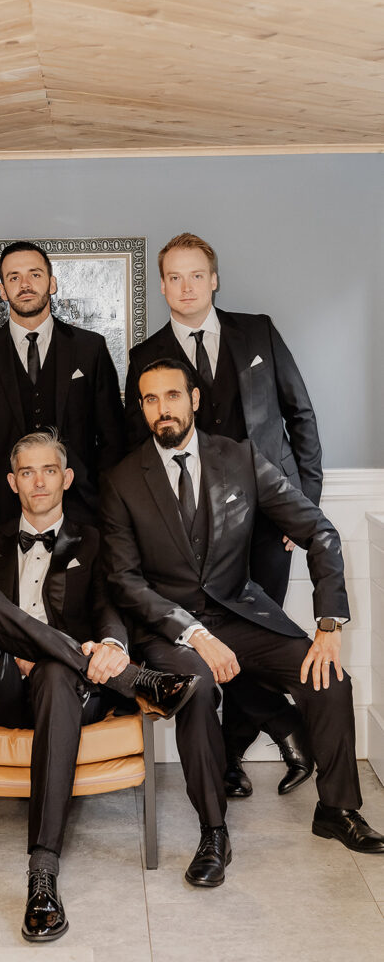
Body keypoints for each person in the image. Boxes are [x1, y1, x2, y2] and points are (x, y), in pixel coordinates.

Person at [102, 359, 384, 887]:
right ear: (140, 408)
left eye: (172, 395)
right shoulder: (121, 480)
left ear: (194, 399)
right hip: (170, 630)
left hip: (240, 611)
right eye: (150, 400)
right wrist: (193, 633)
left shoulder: (241, 457)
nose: (163, 409)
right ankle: (214, 832)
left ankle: (337, 809)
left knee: (329, 678)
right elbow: (124, 580)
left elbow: (320, 531)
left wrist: (329, 622)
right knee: (195, 691)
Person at [0, 429, 197, 941]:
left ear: (66, 478)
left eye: (48, 470)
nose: (38, 482)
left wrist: (110, 646)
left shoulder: (95, 539)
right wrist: (24, 649)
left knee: (57, 671)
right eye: (26, 472)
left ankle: (42, 875)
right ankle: (138, 682)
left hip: (65, 691)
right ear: (12, 482)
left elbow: (111, 607)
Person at [124, 232, 320, 798]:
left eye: (196, 275)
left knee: (256, 635)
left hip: (269, 519)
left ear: (213, 279)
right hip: (190, 528)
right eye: (174, 277)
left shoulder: (258, 331)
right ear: (162, 286)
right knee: (210, 638)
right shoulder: (143, 356)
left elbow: (300, 414)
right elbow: (139, 445)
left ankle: (233, 755)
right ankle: (283, 726)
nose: (186, 287)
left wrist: (303, 506)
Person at [0, 241, 125, 525]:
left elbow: (112, 436)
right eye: (14, 277)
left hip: (83, 509)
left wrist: (104, 501)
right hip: (0, 516)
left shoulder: (89, 348)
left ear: (52, 283)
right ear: (3, 291)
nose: (25, 284)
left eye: (35, 274)